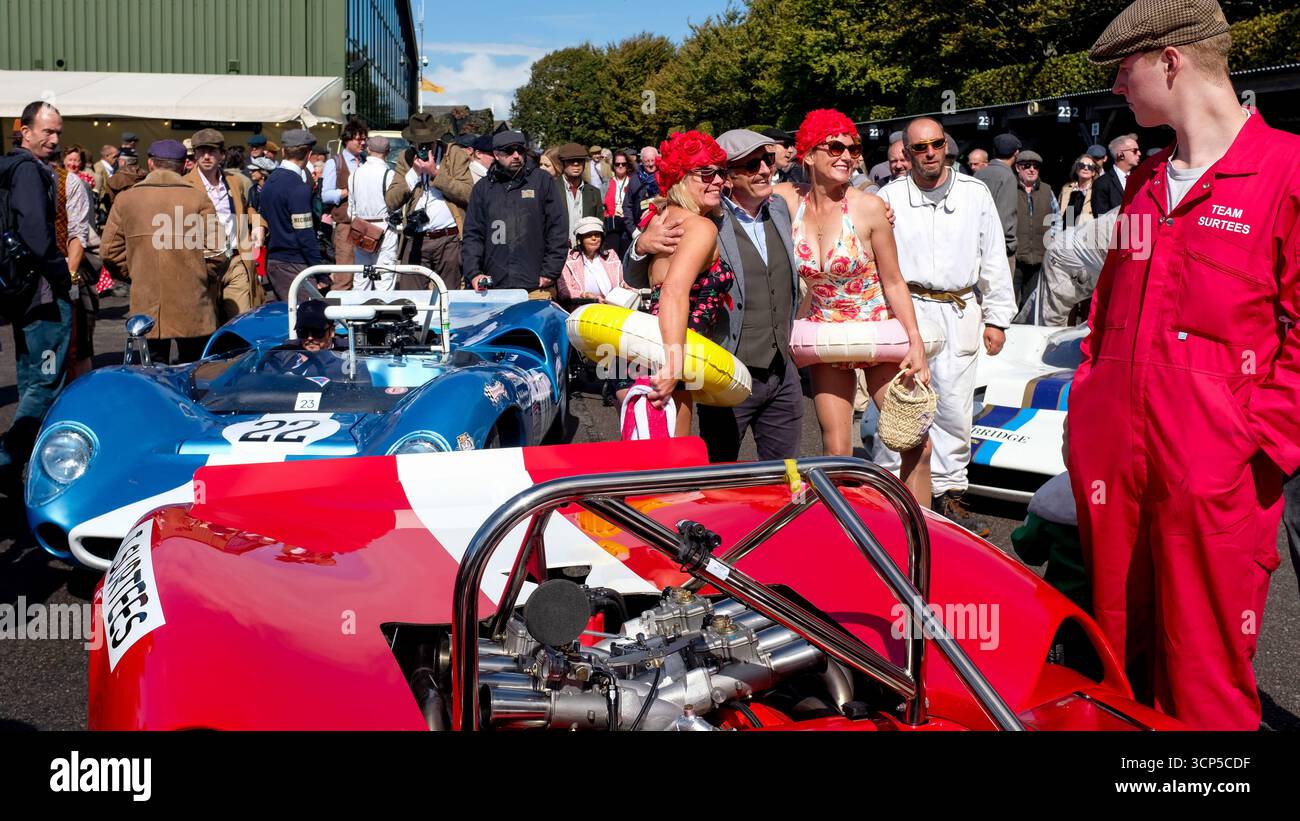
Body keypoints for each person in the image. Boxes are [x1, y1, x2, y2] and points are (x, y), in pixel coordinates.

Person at [1068, 0, 1300, 731]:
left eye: (1124, 70)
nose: (1117, 89)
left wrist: (1251, 444)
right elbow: (1106, 309)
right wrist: (1088, 407)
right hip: (1115, 466)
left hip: (1213, 472)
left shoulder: (1287, 172)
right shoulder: (1146, 181)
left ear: (1170, 61)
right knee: (1117, 654)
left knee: (1202, 677)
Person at [773, 110, 933, 499]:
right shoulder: (786, 200)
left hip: (878, 331)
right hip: (827, 336)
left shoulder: (868, 207)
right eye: (836, 147)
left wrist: (916, 343)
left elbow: (894, 280)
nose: (848, 155)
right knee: (836, 450)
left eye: (854, 148)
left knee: (914, 441)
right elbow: (733, 191)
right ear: (808, 155)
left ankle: (923, 532)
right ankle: (846, 537)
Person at [873, 116, 1015, 534]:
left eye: (936, 144)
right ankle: (892, 492)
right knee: (901, 404)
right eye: (920, 147)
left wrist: (998, 318)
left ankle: (949, 492)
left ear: (946, 146)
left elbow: (992, 256)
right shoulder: (889, 197)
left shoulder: (975, 193)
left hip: (958, 309)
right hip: (907, 308)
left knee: (954, 405)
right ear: (907, 152)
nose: (930, 152)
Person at [627, 129, 804, 462]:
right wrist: (639, 246)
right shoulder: (704, 220)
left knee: (784, 475)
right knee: (704, 474)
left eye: (768, 159)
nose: (765, 169)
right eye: (752, 165)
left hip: (778, 372)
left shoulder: (778, 208)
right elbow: (671, 289)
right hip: (715, 369)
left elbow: (821, 191)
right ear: (733, 177)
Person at [638, 130, 735, 437]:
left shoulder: (663, 217)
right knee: (669, 464)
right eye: (706, 173)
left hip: (651, 350)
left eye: (720, 172)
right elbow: (674, 292)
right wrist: (674, 366)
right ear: (680, 178)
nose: (717, 180)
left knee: (649, 456)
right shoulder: (700, 227)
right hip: (673, 353)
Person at [0, 101, 73, 496]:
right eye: (47, 131)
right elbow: (35, 231)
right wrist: (62, 274)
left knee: (30, 380)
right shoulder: (27, 171)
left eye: (58, 131)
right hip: (42, 293)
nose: (54, 139)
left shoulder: (11, 168)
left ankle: (12, 473)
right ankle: (8, 462)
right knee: (45, 385)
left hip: (21, 291)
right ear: (25, 132)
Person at [100, 139, 224, 364]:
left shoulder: (126, 199)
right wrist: (199, 275)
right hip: (192, 300)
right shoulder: (197, 198)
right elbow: (216, 251)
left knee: (152, 375)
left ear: (150, 164)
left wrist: (134, 274)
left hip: (147, 299)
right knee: (193, 373)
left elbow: (109, 251)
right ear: (183, 165)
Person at [462, 130, 568, 299]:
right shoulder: (483, 188)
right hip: (493, 287)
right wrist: (474, 273)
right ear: (496, 154)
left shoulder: (541, 181)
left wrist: (550, 271)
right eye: (509, 151)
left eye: (520, 150)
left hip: (535, 285)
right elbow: (473, 235)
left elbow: (557, 228)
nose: (516, 155)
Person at [184, 128, 266, 322]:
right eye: (201, 151)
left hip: (236, 259)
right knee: (207, 322)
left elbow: (247, 210)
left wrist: (258, 225)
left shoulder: (235, 181)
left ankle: (241, 353)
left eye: (211, 151)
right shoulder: (185, 184)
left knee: (241, 320)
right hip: (204, 262)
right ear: (194, 154)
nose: (206, 156)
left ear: (222, 154)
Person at [385, 113, 463, 290]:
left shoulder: (454, 154)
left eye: (430, 142)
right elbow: (391, 201)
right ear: (413, 142)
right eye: (420, 143)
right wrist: (414, 174)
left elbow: (468, 193)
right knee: (411, 299)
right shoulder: (406, 157)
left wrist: (436, 173)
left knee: (449, 297)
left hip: (448, 238)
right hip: (417, 238)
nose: (425, 147)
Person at [259, 129, 325, 301]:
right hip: (294, 264)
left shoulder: (270, 182)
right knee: (308, 321)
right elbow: (305, 234)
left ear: (283, 151)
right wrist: (320, 270)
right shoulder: (298, 187)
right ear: (309, 154)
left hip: (273, 261)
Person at [319, 118, 368, 290]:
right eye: (359, 139)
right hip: (345, 225)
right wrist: (348, 191)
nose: (363, 142)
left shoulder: (365, 161)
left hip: (365, 225)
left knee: (364, 276)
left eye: (364, 139)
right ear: (348, 139)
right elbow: (325, 195)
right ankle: (337, 316)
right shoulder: (335, 162)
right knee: (344, 276)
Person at [347, 135, 398, 290]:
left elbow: (351, 209)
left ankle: (360, 311)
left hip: (361, 227)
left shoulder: (355, 174)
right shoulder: (389, 175)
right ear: (388, 151)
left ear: (368, 149)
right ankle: (383, 311)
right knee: (385, 276)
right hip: (384, 227)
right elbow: (394, 206)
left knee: (362, 276)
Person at [1013, 150, 1059, 307]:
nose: (1032, 169)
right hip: (1015, 256)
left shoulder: (1047, 190)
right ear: (1018, 168)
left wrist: (1052, 241)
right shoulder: (1010, 188)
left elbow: (1056, 218)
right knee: (1010, 301)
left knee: (1031, 301)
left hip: (1039, 256)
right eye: (1027, 166)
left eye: (1036, 166)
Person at [975, 132, 1020, 272]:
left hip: (976, 246)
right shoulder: (1008, 177)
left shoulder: (978, 174)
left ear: (993, 151)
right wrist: (1010, 246)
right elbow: (1005, 217)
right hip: (999, 251)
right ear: (1016, 153)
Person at [557, 216, 623, 308]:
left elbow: (622, 283)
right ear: (580, 239)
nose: (594, 238)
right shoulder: (569, 259)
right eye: (588, 235)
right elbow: (564, 291)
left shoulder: (611, 256)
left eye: (597, 234)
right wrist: (584, 295)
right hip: (583, 310)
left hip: (612, 308)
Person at [555, 142, 602, 246]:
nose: (576, 164)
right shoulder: (551, 189)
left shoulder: (594, 193)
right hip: (558, 251)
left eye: (580, 160)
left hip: (585, 252)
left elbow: (600, 226)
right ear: (563, 163)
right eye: (571, 160)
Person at [1091, 132, 1141, 215]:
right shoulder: (1102, 183)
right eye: (1135, 151)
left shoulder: (1141, 181)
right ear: (1120, 154)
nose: (1139, 153)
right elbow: (1101, 220)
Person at [603, 149, 636, 256]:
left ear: (627, 165)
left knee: (626, 255)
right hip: (613, 225)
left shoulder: (634, 181)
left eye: (623, 164)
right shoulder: (606, 184)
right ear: (613, 166)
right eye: (617, 164)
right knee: (612, 255)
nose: (620, 166)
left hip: (629, 224)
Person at [622, 146, 660, 237]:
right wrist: (633, 230)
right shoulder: (635, 179)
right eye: (647, 161)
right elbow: (627, 205)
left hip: (659, 226)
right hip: (638, 228)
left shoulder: (664, 177)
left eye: (653, 160)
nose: (650, 164)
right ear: (642, 162)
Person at [1058, 154, 1099, 226]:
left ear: (1093, 173)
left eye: (1090, 167)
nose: (1086, 168)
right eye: (1082, 165)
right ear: (1076, 169)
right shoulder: (1066, 188)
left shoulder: (1097, 189)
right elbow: (1058, 213)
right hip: (1066, 231)